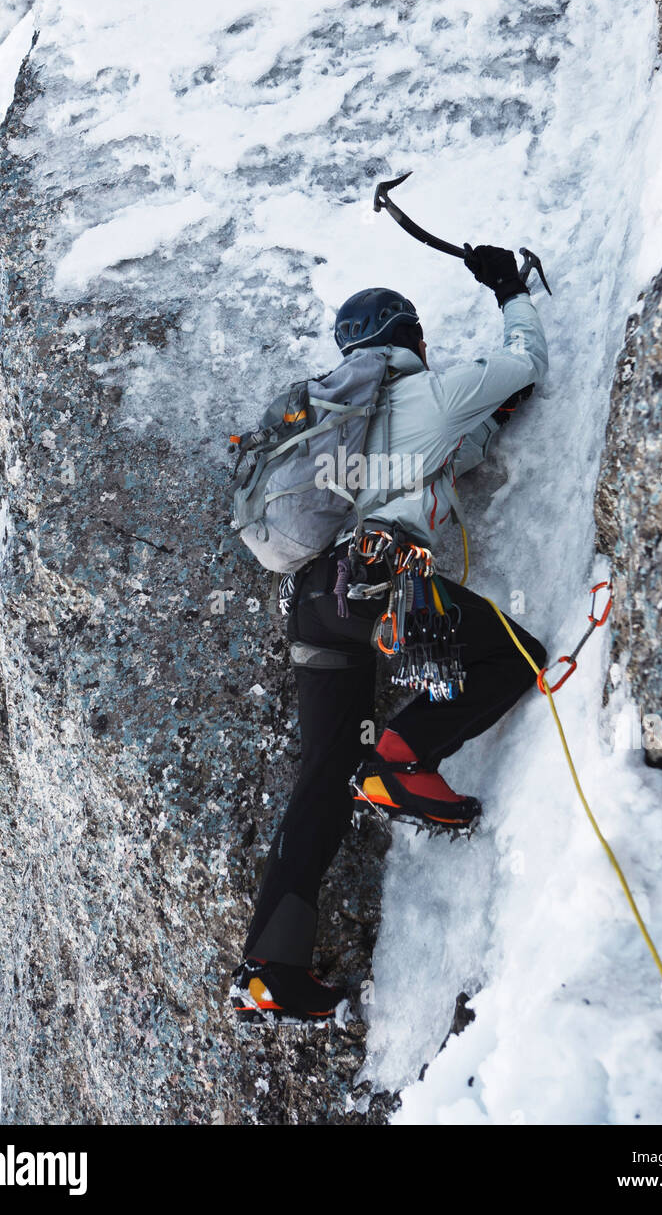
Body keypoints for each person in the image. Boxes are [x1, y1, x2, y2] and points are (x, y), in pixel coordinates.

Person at [231, 245, 549, 1022]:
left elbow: (446, 455)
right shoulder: (434, 391)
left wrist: (484, 429)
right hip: (378, 585)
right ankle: (401, 764)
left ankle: (271, 968)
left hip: (314, 603)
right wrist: (507, 287)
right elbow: (526, 359)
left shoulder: (340, 424)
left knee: (320, 779)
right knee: (512, 656)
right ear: (415, 340)